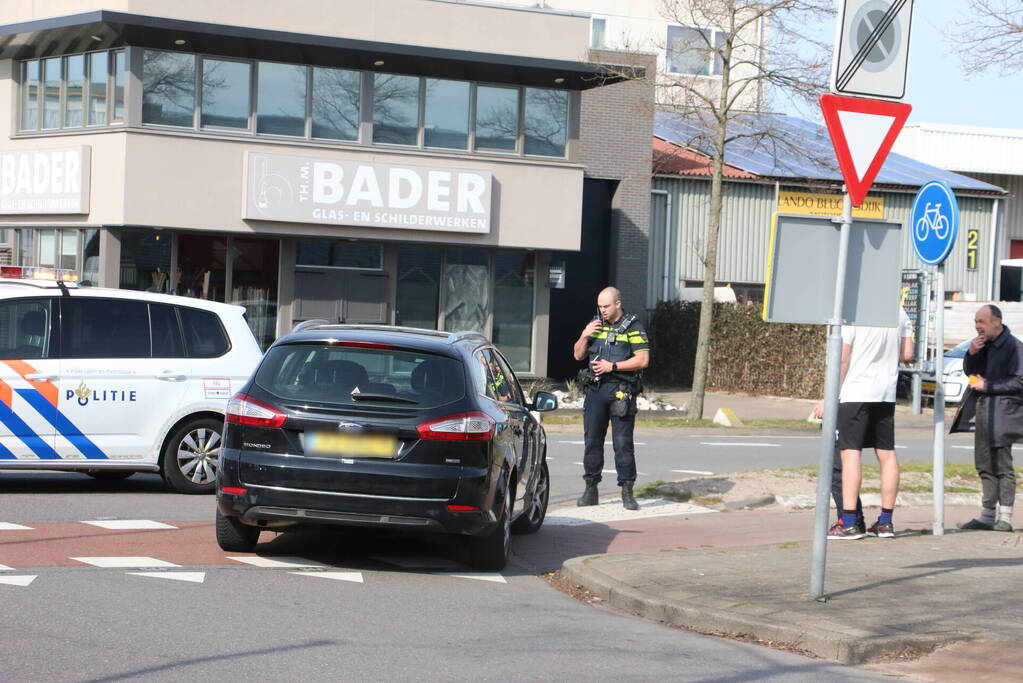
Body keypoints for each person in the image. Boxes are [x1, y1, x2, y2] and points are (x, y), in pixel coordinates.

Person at [815, 308, 914, 540]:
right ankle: (885, 522)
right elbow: (908, 353)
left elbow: (843, 358)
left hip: (856, 391)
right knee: (887, 454)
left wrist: (829, 396)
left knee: (850, 453)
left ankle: (849, 523)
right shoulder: (899, 313)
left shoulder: (854, 312)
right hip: (885, 393)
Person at [573, 286, 650, 510]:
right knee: (592, 441)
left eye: (606, 306)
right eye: (599, 306)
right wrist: (585, 334)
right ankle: (591, 489)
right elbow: (578, 354)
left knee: (622, 443)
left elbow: (643, 359)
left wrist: (612, 365)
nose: (602, 310)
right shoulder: (595, 325)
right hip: (595, 391)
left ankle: (627, 491)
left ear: (618, 303)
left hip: (620, 390)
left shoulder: (633, 326)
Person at [955, 304, 1022, 532]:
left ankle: (1006, 518)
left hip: (1004, 412)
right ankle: (986, 515)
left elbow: (1020, 381)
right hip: (983, 409)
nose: (977, 327)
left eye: (981, 322)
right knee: (983, 462)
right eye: (976, 322)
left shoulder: (1014, 347)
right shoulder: (983, 345)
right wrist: (972, 353)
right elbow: (970, 372)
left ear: (997, 322)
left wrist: (988, 385)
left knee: (1002, 464)